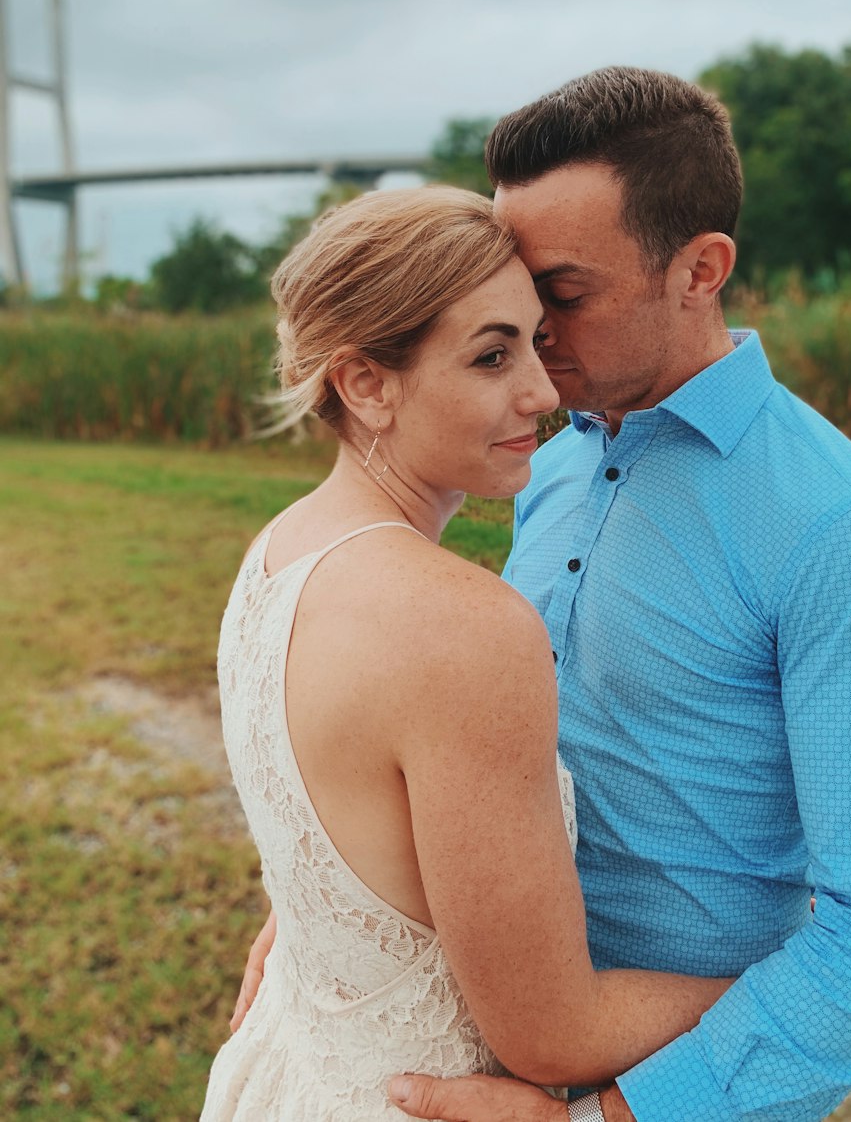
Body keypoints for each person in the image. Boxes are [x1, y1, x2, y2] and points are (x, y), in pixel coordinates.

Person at [234, 72, 851, 1121]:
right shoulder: (552, 458)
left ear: (700, 269)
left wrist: (608, 1117)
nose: (530, 342)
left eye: (560, 296)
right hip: (474, 1046)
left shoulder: (846, 534)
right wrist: (339, 910)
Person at [201, 186, 734, 1122]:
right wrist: (789, 981)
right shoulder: (462, 628)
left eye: (535, 339)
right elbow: (555, 1033)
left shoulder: (278, 552)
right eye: (492, 355)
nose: (541, 390)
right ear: (365, 382)